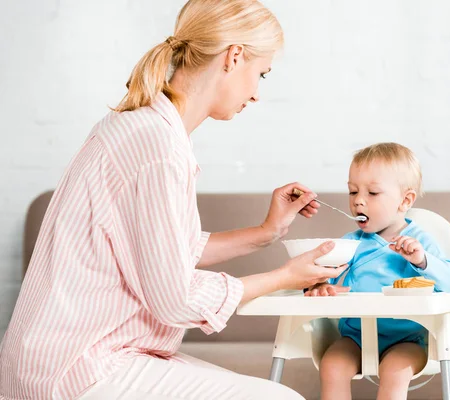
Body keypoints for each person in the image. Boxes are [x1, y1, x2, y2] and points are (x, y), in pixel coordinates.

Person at [0, 1, 347, 399]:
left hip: (64, 360)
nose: (256, 95)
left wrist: (267, 233)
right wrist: (284, 278)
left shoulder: (147, 129)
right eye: (261, 74)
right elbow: (175, 297)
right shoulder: (156, 147)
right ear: (234, 57)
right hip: (77, 369)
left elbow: (168, 252)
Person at [305, 142, 450, 400]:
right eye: (353, 192)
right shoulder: (350, 244)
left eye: (373, 193)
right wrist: (319, 286)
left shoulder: (420, 242)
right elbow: (319, 276)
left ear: (405, 200)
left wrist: (422, 260)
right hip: (355, 337)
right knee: (332, 365)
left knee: (395, 370)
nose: (358, 201)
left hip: (408, 340)